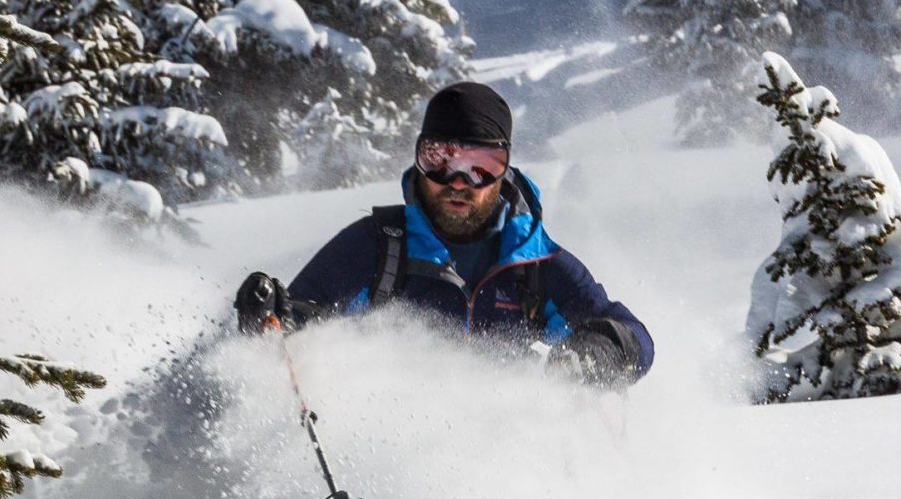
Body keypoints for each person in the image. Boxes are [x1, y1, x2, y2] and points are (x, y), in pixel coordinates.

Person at [234, 81, 654, 385]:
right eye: (438, 159)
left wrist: (597, 351)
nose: (457, 181)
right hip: (383, 449)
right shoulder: (378, 247)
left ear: (503, 172)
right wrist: (267, 317)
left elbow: (633, 336)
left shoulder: (533, 262)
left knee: (602, 398)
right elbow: (297, 322)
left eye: (480, 166)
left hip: (506, 450)